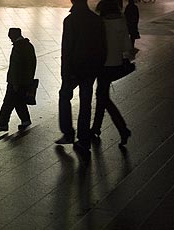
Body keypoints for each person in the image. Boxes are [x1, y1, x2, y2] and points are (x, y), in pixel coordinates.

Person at [55, 0, 106, 153]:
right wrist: (98, 66)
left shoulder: (70, 21)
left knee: (64, 96)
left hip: (74, 69)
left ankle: (68, 132)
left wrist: (65, 73)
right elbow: (103, 46)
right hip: (91, 69)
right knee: (86, 102)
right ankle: (83, 139)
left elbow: (67, 49)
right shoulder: (97, 20)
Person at [91, 0, 132, 146]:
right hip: (115, 64)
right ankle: (96, 128)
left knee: (103, 97)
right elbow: (126, 46)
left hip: (102, 65)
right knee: (102, 95)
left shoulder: (101, 23)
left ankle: (123, 129)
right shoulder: (121, 22)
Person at [0, 28, 37, 132]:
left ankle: (2, 124)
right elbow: (32, 63)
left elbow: (15, 67)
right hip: (25, 80)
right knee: (19, 101)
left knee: (8, 103)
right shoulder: (28, 45)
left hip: (16, 81)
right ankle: (25, 120)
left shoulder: (18, 47)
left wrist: (15, 82)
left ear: (12, 36)